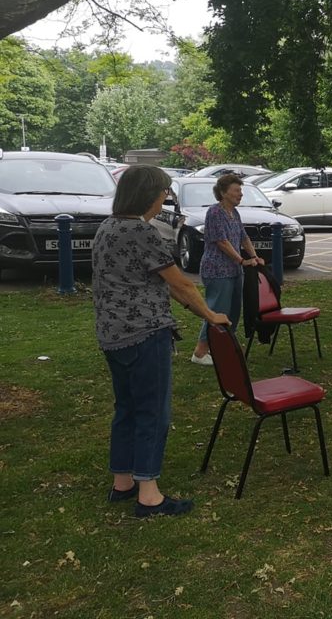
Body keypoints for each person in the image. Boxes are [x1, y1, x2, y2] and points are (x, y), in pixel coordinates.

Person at [92, 165, 229, 518]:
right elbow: (181, 282)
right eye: (164, 194)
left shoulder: (107, 227)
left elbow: (158, 280)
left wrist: (189, 305)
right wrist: (210, 315)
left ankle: (122, 483)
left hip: (113, 335)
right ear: (149, 195)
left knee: (127, 408)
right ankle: (149, 495)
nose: (164, 200)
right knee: (153, 413)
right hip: (144, 335)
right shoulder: (141, 232)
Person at [190, 174, 264, 366]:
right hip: (217, 270)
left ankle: (223, 347)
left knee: (233, 312)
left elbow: (244, 238)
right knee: (217, 311)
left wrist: (254, 256)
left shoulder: (235, 213)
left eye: (241, 190)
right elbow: (222, 242)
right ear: (223, 192)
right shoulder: (215, 212)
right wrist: (241, 260)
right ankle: (200, 352)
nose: (240, 194)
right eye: (236, 190)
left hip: (234, 271)